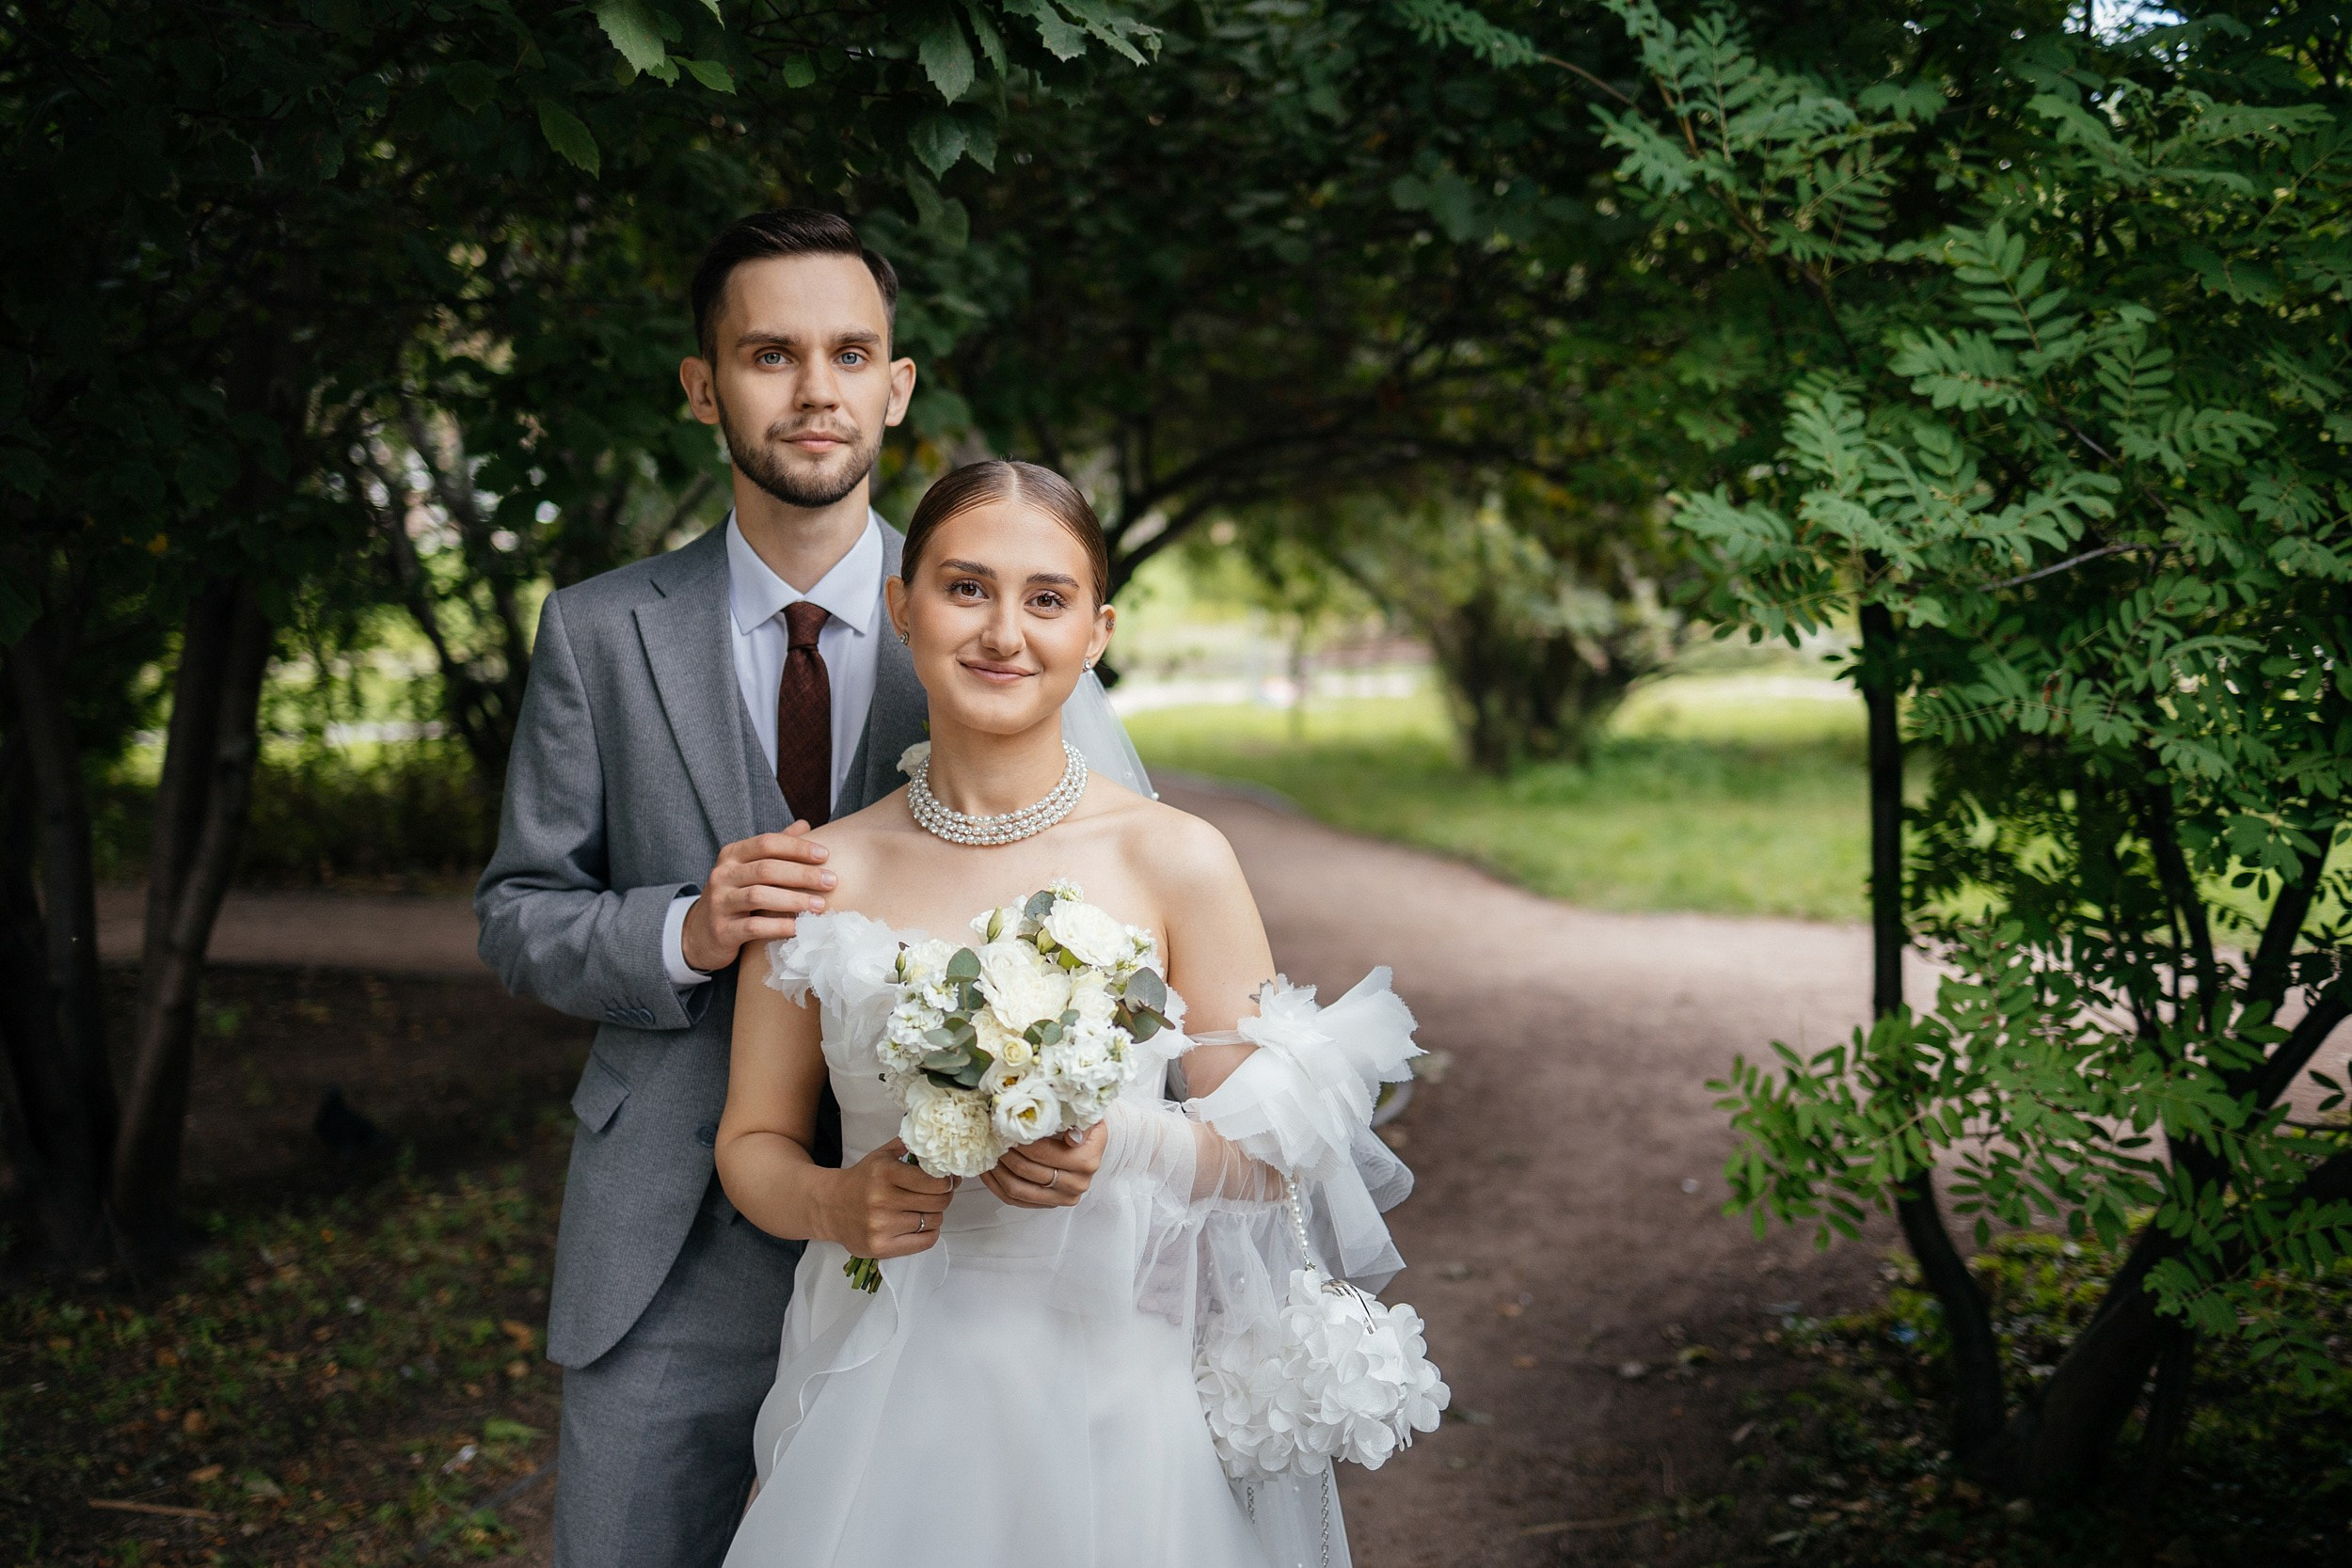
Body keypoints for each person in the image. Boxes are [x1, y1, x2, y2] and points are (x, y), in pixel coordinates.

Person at [717, 460, 1431, 1567]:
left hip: (1113, 1389)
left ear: (1095, 630)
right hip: (877, 1374)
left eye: (1046, 599)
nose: (1005, 630)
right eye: (966, 588)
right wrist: (832, 1198)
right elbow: (751, 1141)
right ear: (902, 605)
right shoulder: (814, 872)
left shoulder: (1176, 858)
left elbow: (1278, 1154)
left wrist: (1130, 1141)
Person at [474, 208, 932, 1567]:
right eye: (769, 353)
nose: (814, 390)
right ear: (703, 385)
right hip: (663, 1238)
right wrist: (687, 922)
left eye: (851, 352)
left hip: (923, 1214)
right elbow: (518, 912)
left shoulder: (975, 613)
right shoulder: (597, 631)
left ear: (896, 386)